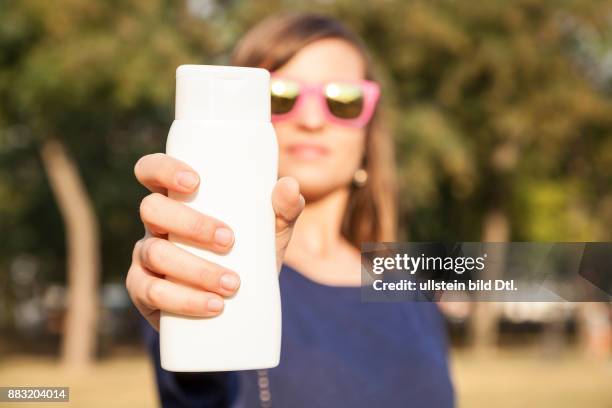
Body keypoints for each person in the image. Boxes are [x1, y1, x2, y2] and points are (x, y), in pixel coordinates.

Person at [126, 12, 454, 407]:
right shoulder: (200, 271)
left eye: (343, 100)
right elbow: (200, 392)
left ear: (369, 133)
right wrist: (192, 330)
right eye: (280, 96)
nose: (312, 120)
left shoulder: (410, 287)